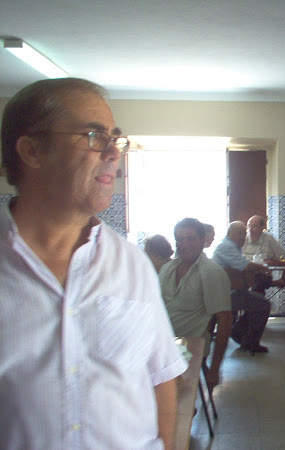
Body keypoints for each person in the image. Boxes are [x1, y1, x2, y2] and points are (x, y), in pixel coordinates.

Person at [0, 78, 187, 448]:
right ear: (32, 151)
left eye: (115, 139)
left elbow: (161, 375)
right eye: (93, 136)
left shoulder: (132, 265)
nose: (114, 153)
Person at [159, 218, 232, 391]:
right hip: (162, 343)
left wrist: (215, 368)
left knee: (160, 393)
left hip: (188, 347)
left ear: (203, 240)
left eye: (190, 238)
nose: (184, 244)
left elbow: (225, 320)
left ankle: (182, 412)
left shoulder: (211, 273)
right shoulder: (167, 269)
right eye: (179, 239)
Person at [212, 221, 271, 353]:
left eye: (244, 234)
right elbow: (245, 266)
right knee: (263, 304)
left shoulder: (230, 246)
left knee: (258, 300)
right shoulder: (226, 246)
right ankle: (249, 341)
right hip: (225, 295)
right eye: (239, 234)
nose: (243, 237)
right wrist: (263, 268)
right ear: (229, 233)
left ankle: (239, 333)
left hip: (230, 291)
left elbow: (242, 265)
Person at [242, 215, 285, 293]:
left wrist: (283, 278)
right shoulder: (243, 239)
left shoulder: (269, 239)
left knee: (257, 286)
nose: (250, 229)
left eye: (254, 226)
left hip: (262, 275)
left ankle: (256, 302)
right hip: (245, 274)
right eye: (248, 226)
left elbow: (284, 258)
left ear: (262, 228)